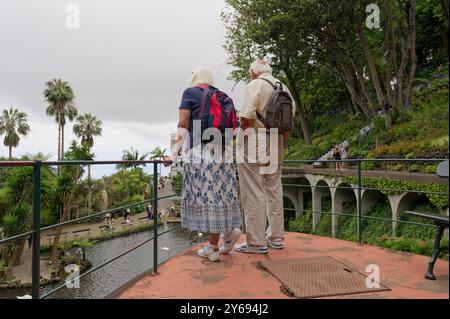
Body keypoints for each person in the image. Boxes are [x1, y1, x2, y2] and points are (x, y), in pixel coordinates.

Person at [164, 66, 242, 262]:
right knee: (219, 196)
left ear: (194, 78)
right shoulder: (220, 95)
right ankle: (225, 235)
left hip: (201, 154)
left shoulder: (190, 92)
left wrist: (174, 152)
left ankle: (214, 246)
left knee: (208, 198)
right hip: (223, 153)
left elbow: (182, 125)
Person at [235, 60, 295, 254]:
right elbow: (289, 121)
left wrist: (238, 139)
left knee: (253, 191)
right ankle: (276, 237)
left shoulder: (255, 85)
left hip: (255, 142)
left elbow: (246, 118)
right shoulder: (283, 86)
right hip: (277, 142)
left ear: (253, 71)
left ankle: (256, 242)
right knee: (274, 189)